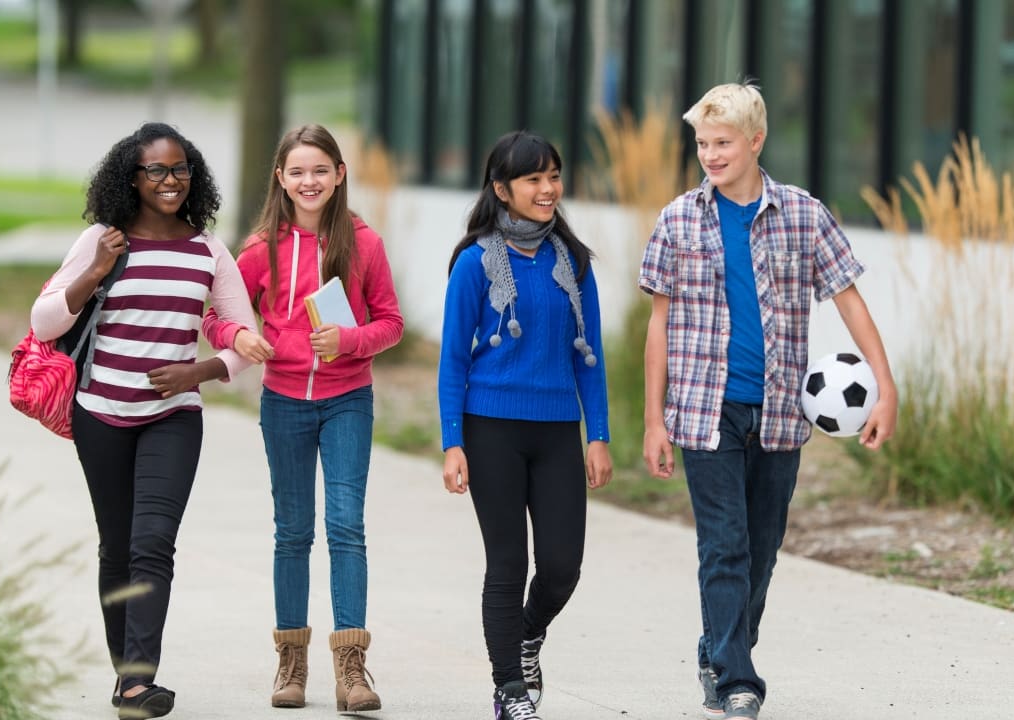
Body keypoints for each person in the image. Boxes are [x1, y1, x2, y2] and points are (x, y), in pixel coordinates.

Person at [637, 82, 899, 720]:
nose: (711, 154)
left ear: (755, 141)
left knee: (762, 544)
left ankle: (719, 647)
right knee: (723, 545)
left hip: (780, 411)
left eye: (723, 142)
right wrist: (653, 419)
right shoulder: (678, 218)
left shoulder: (805, 214)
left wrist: (885, 386)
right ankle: (736, 681)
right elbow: (659, 325)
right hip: (705, 409)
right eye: (702, 143)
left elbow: (849, 299)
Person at [30, 122, 261, 720]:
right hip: (101, 413)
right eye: (156, 170)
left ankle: (137, 682)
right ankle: (125, 673)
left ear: (195, 176)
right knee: (117, 547)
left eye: (180, 169)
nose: (170, 180)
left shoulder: (207, 250)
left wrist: (200, 371)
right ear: (130, 178)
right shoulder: (101, 241)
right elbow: (46, 320)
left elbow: (245, 338)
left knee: (153, 542)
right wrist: (92, 272)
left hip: (173, 418)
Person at [202, 124, 404, 712]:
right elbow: (216, 317)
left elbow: (391, 323)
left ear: (340, 174)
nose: (309, 181)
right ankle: (290, 664)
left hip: (348, 401)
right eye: (297, 171)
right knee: (292, 532)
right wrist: (240, 333)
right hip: (284, 401)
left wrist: (349, 339)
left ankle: (352, 668)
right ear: (280, 179)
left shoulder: (364, 243)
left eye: (320, 170)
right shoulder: (261, 247)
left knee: (346, 526)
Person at [438, 130, 613, 720]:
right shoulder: (474, 263)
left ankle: (528, 634)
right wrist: (452, 443)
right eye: (534, 179)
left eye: (553, 176)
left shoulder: (575, 262)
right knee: (507, 563)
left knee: (563, 565)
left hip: (558, 429)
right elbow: (453, 361)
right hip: (491, 430)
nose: (548, 189)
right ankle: (510, 687)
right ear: (501, 189)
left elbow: (589, 355)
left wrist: (598, 434)